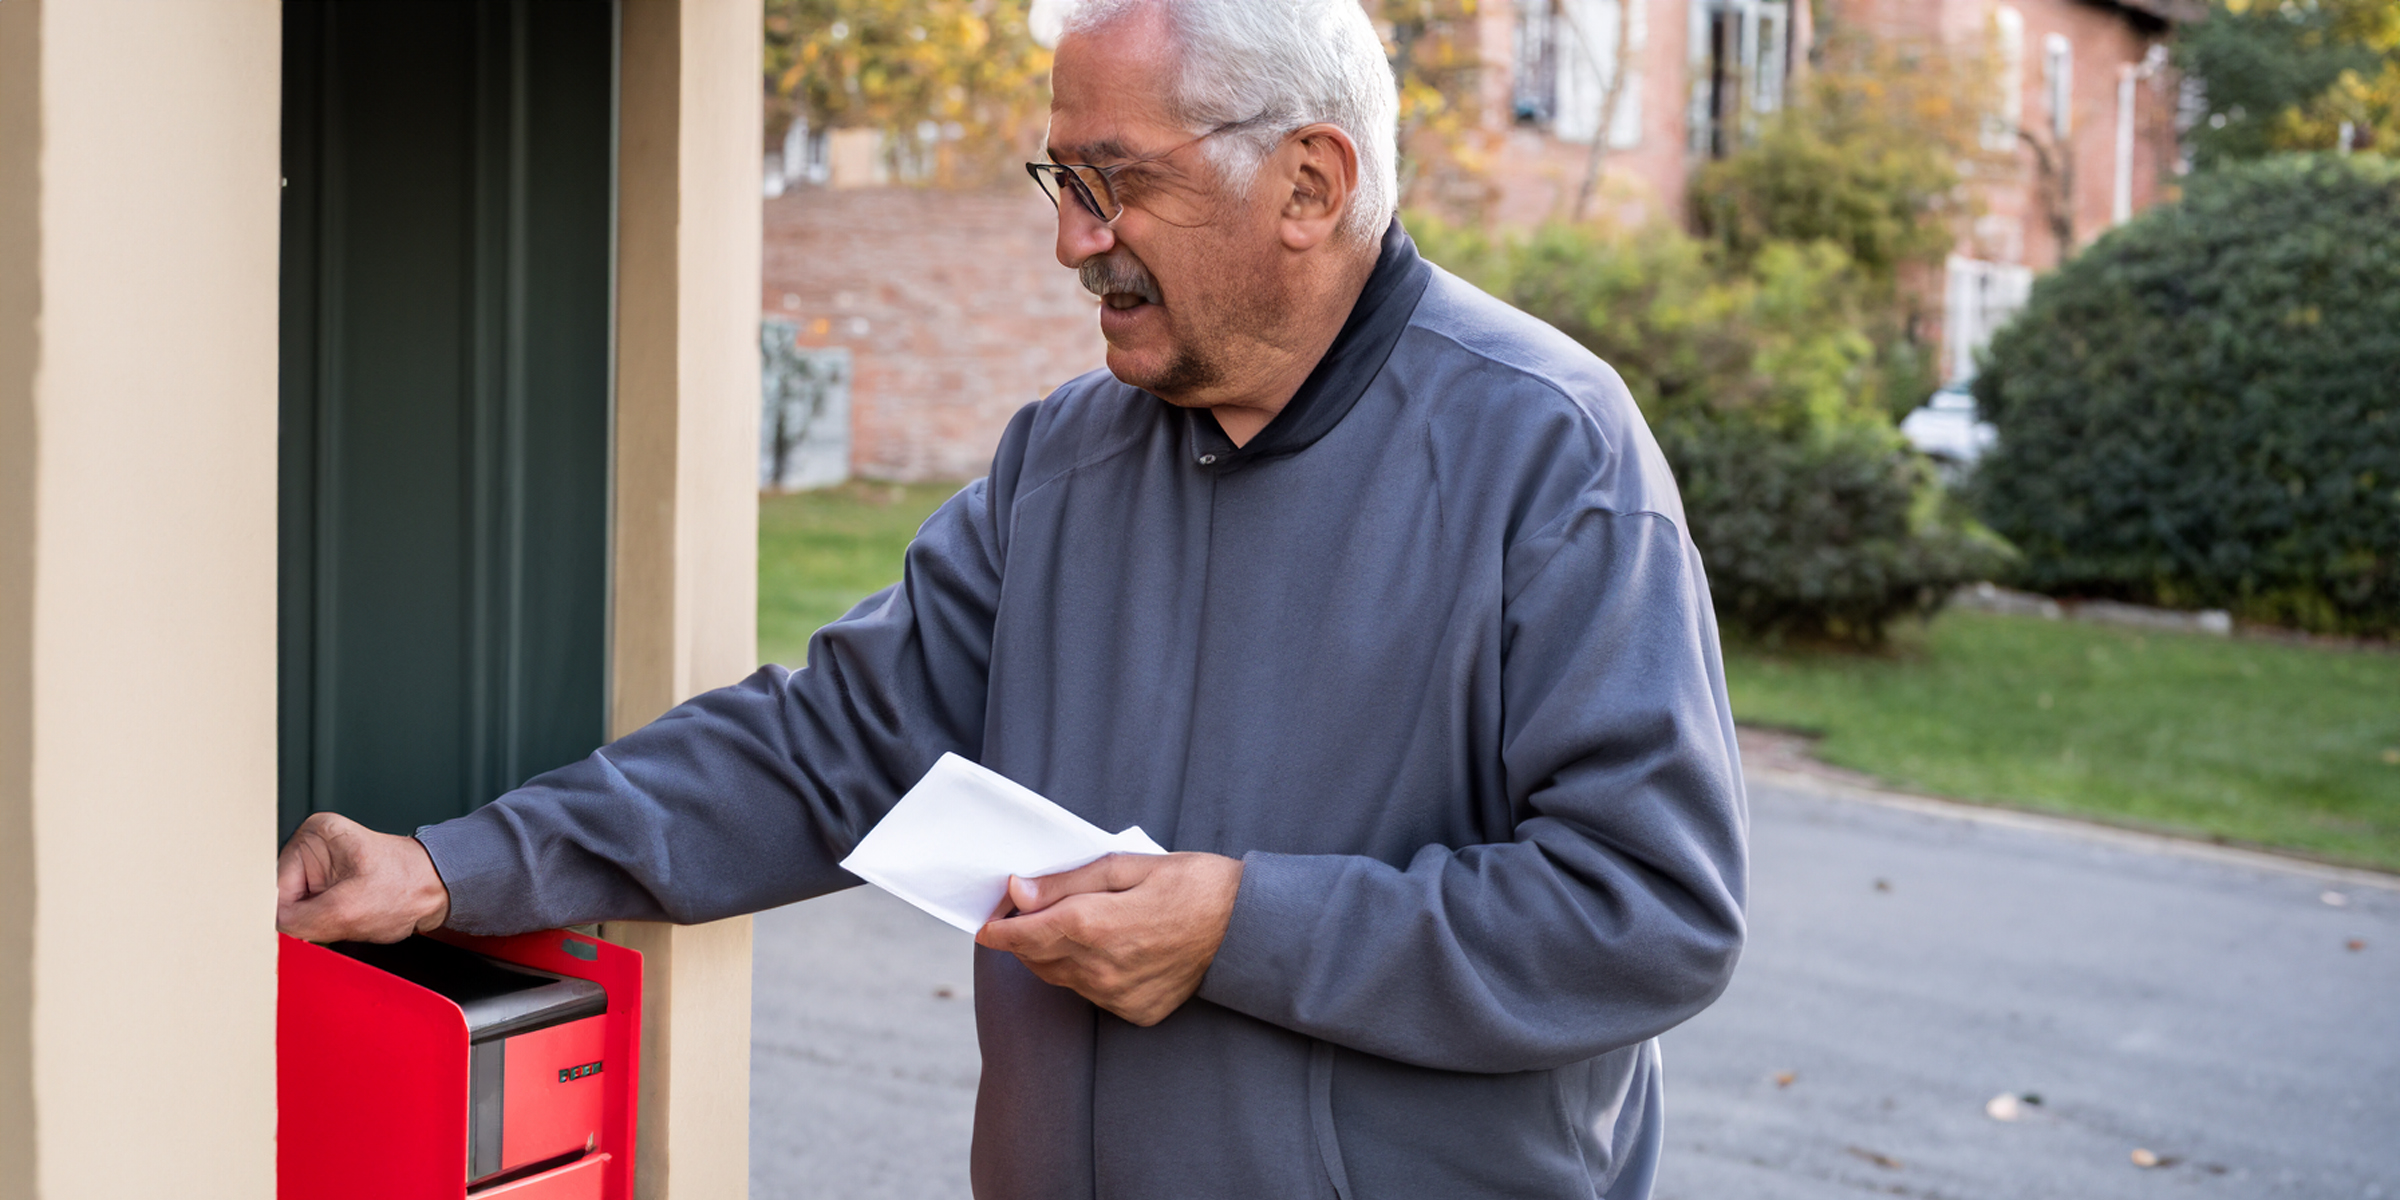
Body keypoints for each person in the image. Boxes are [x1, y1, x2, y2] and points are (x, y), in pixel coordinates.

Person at [275, 0, 1749, 1195]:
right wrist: (451, 867)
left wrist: (1241, 926)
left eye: (1121, 181)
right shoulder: (1066, 455)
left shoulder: (1547, 448)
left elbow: (1647, 909)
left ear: (1311, 184)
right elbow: (825, 750)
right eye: (1063, 179)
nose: (1074, 238)